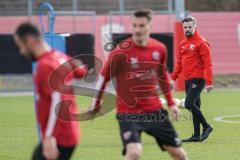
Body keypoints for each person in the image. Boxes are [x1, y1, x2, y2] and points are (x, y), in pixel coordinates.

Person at [88, 9, 188, 160]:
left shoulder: (159, 49)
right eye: (134, 26)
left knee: (179, 154)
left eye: (141, 26)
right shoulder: (120, 52)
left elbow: (162, 77)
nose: (137, 30)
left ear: (150, 26)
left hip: (154, 112)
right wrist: (95, 103)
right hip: (128, 113)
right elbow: (103, 78)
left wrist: (172, 103)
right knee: (134, 153)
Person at [14, 22, 87, 160]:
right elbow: (81, 71)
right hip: (67, 133)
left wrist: (49, 137)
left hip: (59, 137)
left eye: (20, 46)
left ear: (30, 41)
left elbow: (57, 100)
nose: (21, 51)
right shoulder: (60, 57)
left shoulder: (45, 66)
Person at [171, 16, 213, 142]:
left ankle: (207, 126)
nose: (187, 29)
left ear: (195, 26)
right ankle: (196, 135)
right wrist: (173, 78)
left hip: (198, 79)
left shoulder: (201, 43)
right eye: (185, 27)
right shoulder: (183, 43)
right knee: (196, 105)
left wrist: (209, 82)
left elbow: (208, 64)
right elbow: (179, 63)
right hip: (188, 80)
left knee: (189, 104)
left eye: (190, 27)